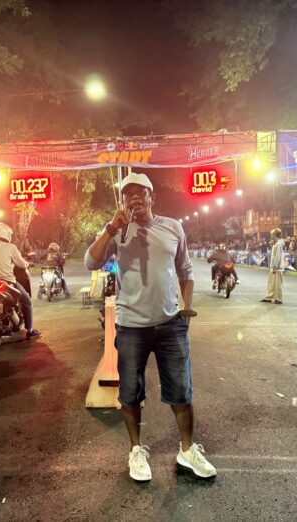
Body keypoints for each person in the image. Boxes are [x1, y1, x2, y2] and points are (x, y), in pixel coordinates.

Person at [84, 171, 216, 482]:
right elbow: (91, 262)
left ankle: (187, 451)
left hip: (171, 324)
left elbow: (185, 269)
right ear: (122, 201)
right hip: (131, 326)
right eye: (127, 193)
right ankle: (136, 450)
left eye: (139, 192)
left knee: (181, 391)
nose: (133, 197)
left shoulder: (172, 227)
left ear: (151, 197)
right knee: (130, 393)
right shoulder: (117, 233)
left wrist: (186, 310)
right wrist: (111, 229)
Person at [0, 222, 41, 340]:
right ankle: (30, 330)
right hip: (8, 282)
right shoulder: (11, 247)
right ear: (6, 234)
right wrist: (27, 263)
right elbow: (21, 264)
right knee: (27, 302)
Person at [261, 228, 285, 304]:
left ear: (275, 235)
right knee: (271, 283)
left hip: (277, 267)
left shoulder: (279, 244)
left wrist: (275, 266)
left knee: (277, 283)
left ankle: (278, 298)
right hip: (274, 266)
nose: (271, 236)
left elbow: (277, 256)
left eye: (272, 234)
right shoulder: (276, 243)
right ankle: (269, 297)